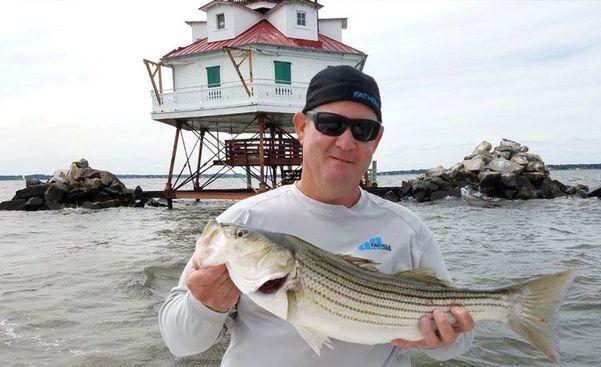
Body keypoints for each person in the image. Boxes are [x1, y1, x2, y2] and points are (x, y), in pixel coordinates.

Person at [159, 65, 475, 366]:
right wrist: (205, 307)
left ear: (376, 140)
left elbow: (460, 344)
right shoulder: (245, 218)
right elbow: (179, 343)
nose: (346, 141)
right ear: (301, 127)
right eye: (330, 124)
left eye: (363, 130)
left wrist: (445, 339)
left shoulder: (409, 231)